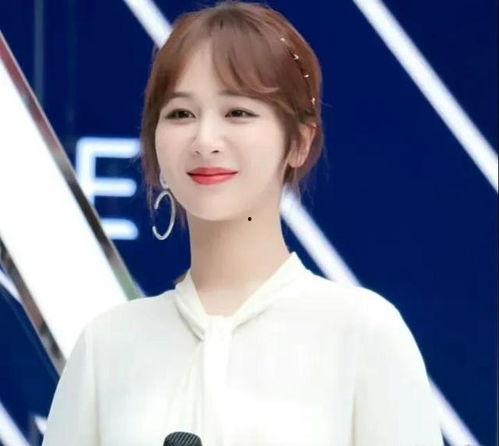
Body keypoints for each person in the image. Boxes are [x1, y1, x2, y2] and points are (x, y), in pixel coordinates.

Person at [42, 1, 444, 445]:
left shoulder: (364, 333)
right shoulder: (107, 345)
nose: (204, 140)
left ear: (299, 142)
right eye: (180, 114)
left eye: (237, 112)